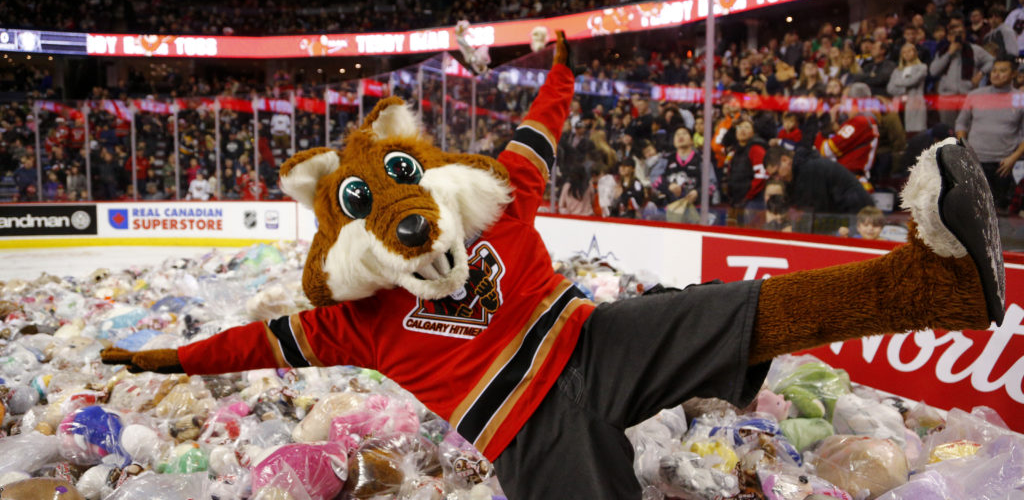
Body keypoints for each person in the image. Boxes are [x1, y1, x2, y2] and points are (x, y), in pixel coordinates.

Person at [955, 55, 1024, 211]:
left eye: (1002, 70)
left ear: (1013, 74)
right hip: (974, 161)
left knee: (1000, 215)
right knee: (974, 212)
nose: (996, 74)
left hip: (1003, 165)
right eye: (994, 70)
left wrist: (1013, 159)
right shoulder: (975, 95)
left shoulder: (1020, 99)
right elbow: (961, 123)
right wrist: (963, 146)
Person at [764, 146, 874, 214]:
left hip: (857, 214)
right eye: (773, 176)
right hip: (842, 212)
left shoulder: (811, 170)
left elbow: (818, 210)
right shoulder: (795, 175)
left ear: (785, 160)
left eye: (776, 173)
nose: (777, 178)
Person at [929, 16, 995, 127]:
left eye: (961, 33)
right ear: (949, 37)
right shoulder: (942, 51)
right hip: (947, 98)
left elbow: (992, 61)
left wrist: (981, 73)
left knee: (966, 129)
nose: (958, 36)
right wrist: (949, 54)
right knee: (948, 131)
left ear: (965, 35)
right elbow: (933, 71)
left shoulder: (974, 50)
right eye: (954, 34)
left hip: (967, 96)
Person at [817, 83, 880, 189]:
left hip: (851, 184)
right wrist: (833, 122)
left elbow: (826, 150)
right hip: (852, 182)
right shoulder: (867, 120)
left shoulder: (860, 122)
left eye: (844, 98)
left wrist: (824, 130)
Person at [726, 119, 769, 207]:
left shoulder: (756, 149)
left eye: (747, 127)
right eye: (739, 127)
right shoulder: (734, 151)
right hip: (736, 199)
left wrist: (748, 196)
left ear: (753, 132)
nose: (742, 130)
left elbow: (761, 176)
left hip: (753, 200)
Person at [887, 43, 928, 133]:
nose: (907, 54)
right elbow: (890, 88)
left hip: (915, 103)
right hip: (898, 104)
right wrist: (905, 88)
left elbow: (913, 81)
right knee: (899, 131)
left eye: (909, 51)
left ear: (915, 52)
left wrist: (897, 82)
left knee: (915, 132)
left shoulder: (922, 67)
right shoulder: (897, 70)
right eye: (904, 52)